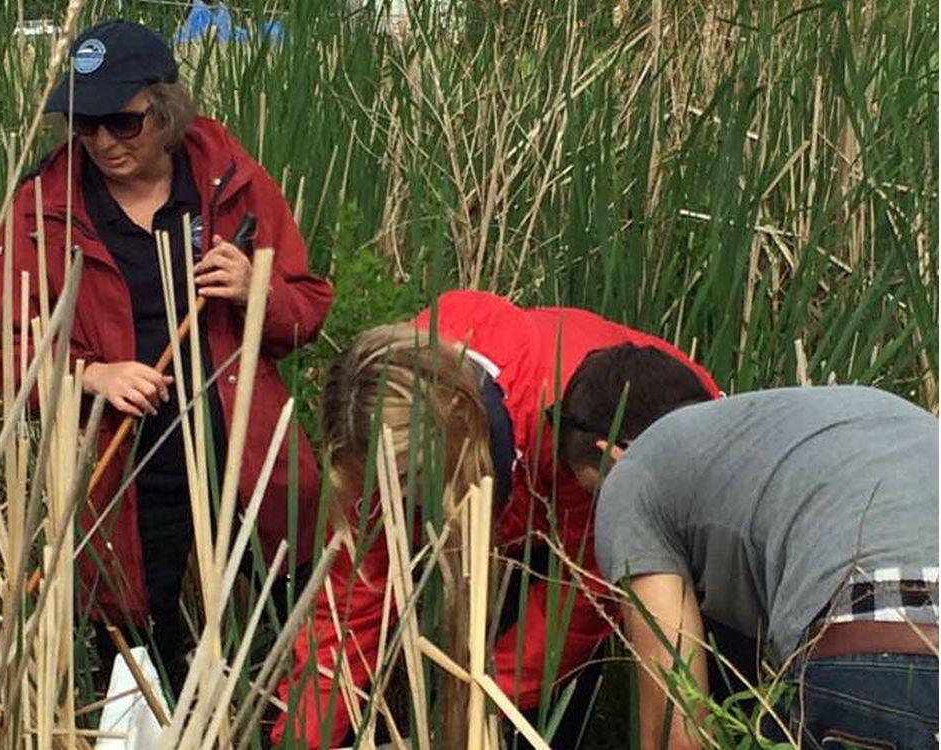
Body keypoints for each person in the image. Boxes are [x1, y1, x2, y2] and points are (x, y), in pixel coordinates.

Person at [0, 20, 332, 688]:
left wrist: (259, 290)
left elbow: (305, 312)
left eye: (124, 123)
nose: (104, 143)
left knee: (293, 630)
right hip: (127, 472)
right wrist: (90, 374)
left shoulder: (234, 183)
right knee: (136, 663)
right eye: (85, 125)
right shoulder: (40, 206)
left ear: (165, 109)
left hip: (243, 454)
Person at [273, 290, 720, 747]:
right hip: (517, 494)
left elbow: (585, 592)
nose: (399, 500)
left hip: (671, 486)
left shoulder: (574, 417)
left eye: (409, 482)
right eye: (391, 487)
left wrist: (485, 697)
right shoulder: (378, 431)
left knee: (548, 696)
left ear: (455, 434)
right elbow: (350, 609)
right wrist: (301, 738)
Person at [586, 368, 939, 750]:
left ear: (610, 454)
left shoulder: (634, 470)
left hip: (881, 657)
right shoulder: (852, 414)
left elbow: (678, 728)